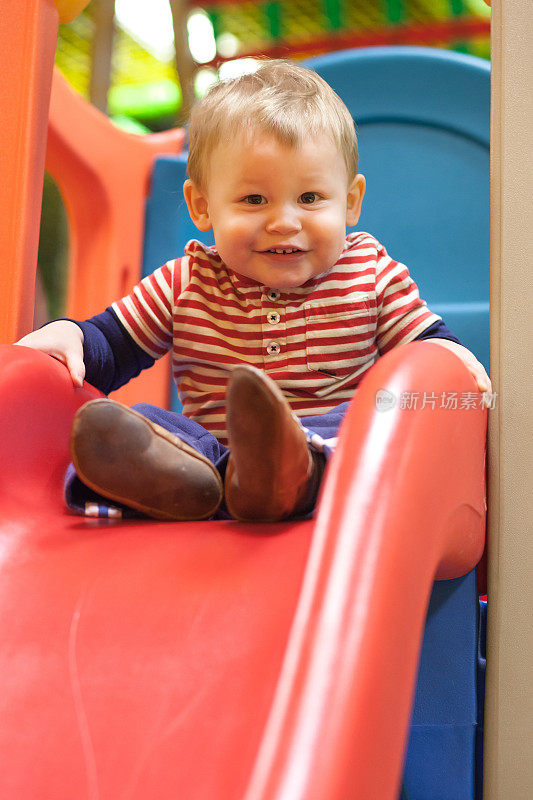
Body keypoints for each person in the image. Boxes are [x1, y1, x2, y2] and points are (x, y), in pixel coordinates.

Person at [15, 60, 491, 523]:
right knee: (149, 423)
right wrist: (70, 337)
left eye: (309, 198)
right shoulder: (187, 282)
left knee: (373, 414)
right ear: (202, 207)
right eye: (253, 199)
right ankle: (191, 481)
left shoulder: (369, 273)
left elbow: (427, 348)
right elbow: (111, 345)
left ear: (350, 202)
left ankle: (290, 471)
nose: (284, 221)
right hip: (214, 463)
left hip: (338, 467)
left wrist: (451, 357)